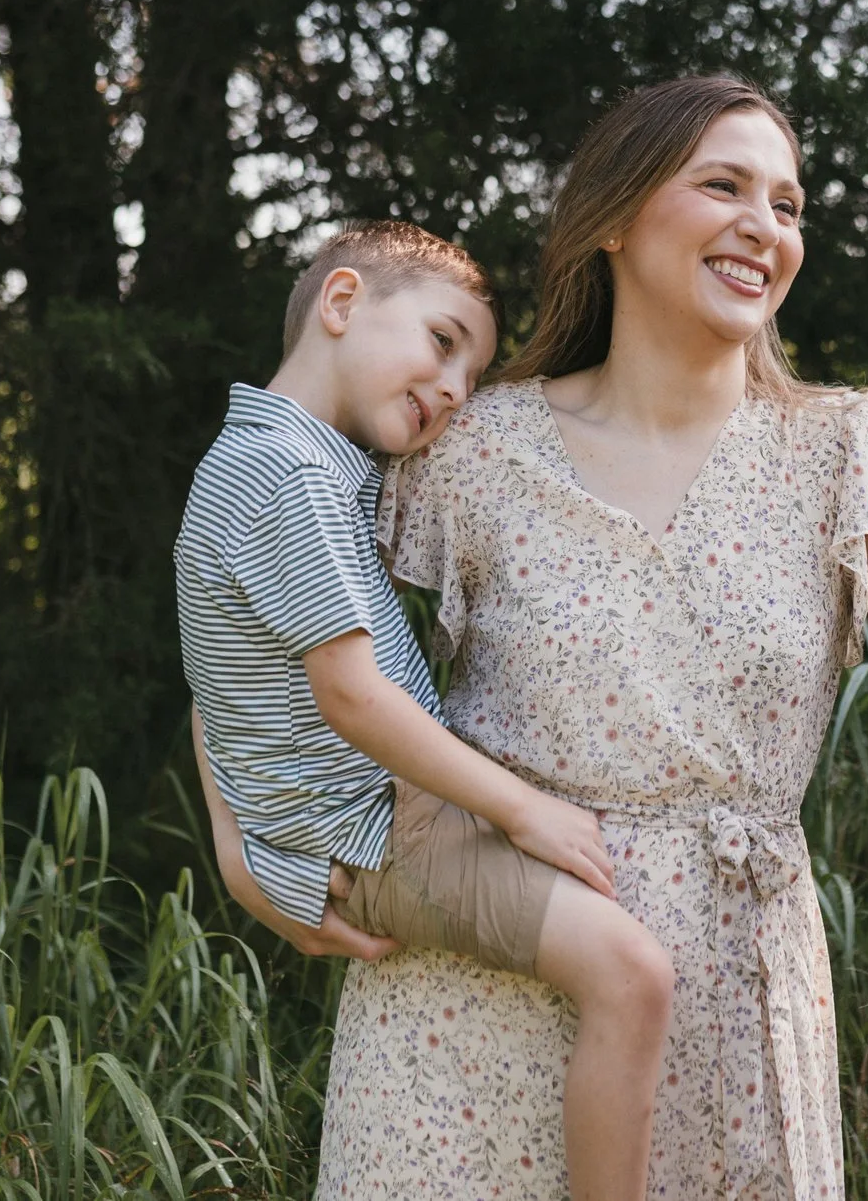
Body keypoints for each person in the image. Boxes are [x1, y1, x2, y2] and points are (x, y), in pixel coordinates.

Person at [208, 75, 868, 1199]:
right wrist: (242, 840)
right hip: (464, 1013)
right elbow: (248, 612)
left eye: (787, 205)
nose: (763, 225)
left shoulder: (845, 454)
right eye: (723, 184)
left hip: (730, 1004)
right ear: (617, 218)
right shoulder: (470, 449)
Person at [175, 218, 675, 1201]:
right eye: (443, 341)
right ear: (342, 301)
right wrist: (521, 807)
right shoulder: (294, 475)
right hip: (380, 829)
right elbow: (352, 696)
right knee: (631, 971)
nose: (452, 387)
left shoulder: (250, 456)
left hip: (348, 822)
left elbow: (212, 677)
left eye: (470, 374)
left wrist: (240, 844)